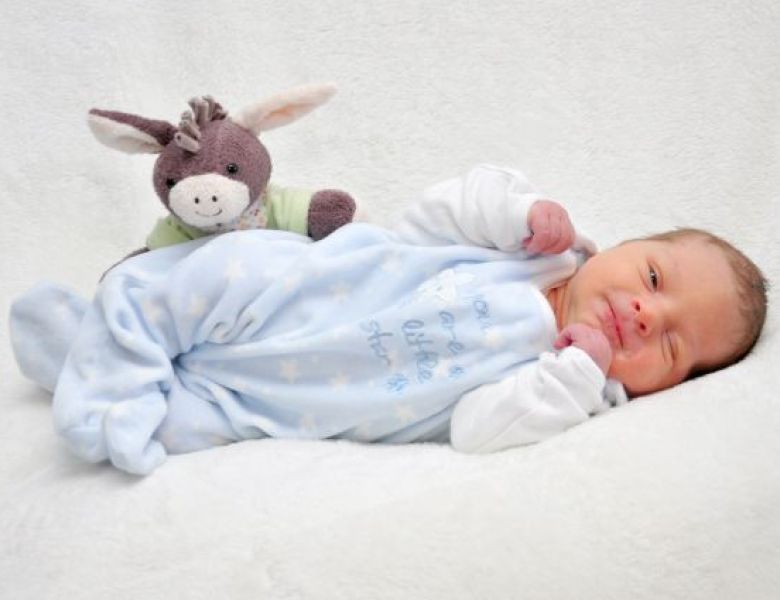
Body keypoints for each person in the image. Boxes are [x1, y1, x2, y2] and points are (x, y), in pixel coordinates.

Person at [9, 165, 768, 475]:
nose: (643, 315)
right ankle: (124, 330)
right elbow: (428, 218)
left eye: (673, 343)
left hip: (295, 403)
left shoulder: (573, 390)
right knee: (217, 275)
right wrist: (517, 212)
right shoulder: (541, 251)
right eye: (654, 278)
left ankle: (82, 354)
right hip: (315, 291)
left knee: (190, 427)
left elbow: (477, 431)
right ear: (625, 245)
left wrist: (574, 373)